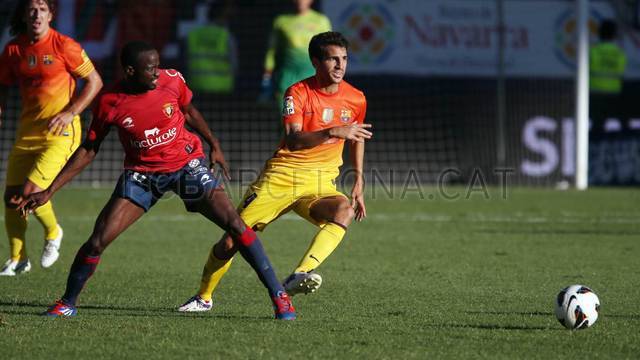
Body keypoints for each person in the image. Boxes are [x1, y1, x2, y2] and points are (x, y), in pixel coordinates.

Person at [18, 41, 296, 320]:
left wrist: (214, 144)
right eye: (150, 69)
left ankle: (279, 297)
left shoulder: (172, 80)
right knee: (97, 241)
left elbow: (189, 112)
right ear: (129, 71)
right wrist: (50, 189)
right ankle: (67, 302)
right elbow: (90, 149)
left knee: (236, 225)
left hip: (187, 165)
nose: (157, 73)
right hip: (142, 175)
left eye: (158, 65)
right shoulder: (109, 102)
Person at [179, 31, 371, 312]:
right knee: (232, 240)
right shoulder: (297, 93)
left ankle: (300, 273)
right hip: (281, 178)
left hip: (319, 183)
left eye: (344, 59)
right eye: (332, 59)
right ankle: (203, 297)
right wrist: (332, 130)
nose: (340, 65)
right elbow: (293, 139)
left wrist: (359, 181)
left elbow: (357, 136)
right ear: (316, 62)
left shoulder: (356, 99)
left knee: (344, 211)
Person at [0, 0, 103, 276]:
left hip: (61, 133)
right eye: (31, 9)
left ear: (50, 15)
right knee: (11, 199)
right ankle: (18, 258)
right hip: (27, 133)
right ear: (23, 14)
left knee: (29, 193)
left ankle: (54, 232)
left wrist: (71, 112)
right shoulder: (13, 50)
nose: (36, 14)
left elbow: (95, 81)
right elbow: (2, 85)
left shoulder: (64, 46)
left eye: (42, 9)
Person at [259, 0, 331, 102]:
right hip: (287, 77)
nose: (300, 1)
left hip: (312, 76)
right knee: (288, 114)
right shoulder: (281, 21)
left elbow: (329, 50)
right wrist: (267, 76)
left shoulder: (321, 21)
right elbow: (272, 50)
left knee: (310, 114)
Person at [184, 0, 237, 94]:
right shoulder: (226, 37)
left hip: (196, 88)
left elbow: (185, 62)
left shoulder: (193, 35)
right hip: (222, 90)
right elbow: (234, 65)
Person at [589, 19, 627, 131]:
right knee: (621, 126)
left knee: (597, 126)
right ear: (614, 35)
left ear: (599, 33)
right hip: (614, 94)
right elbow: (620, 72)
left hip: (595, 93)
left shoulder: (593, 51)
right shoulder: (619, 53)